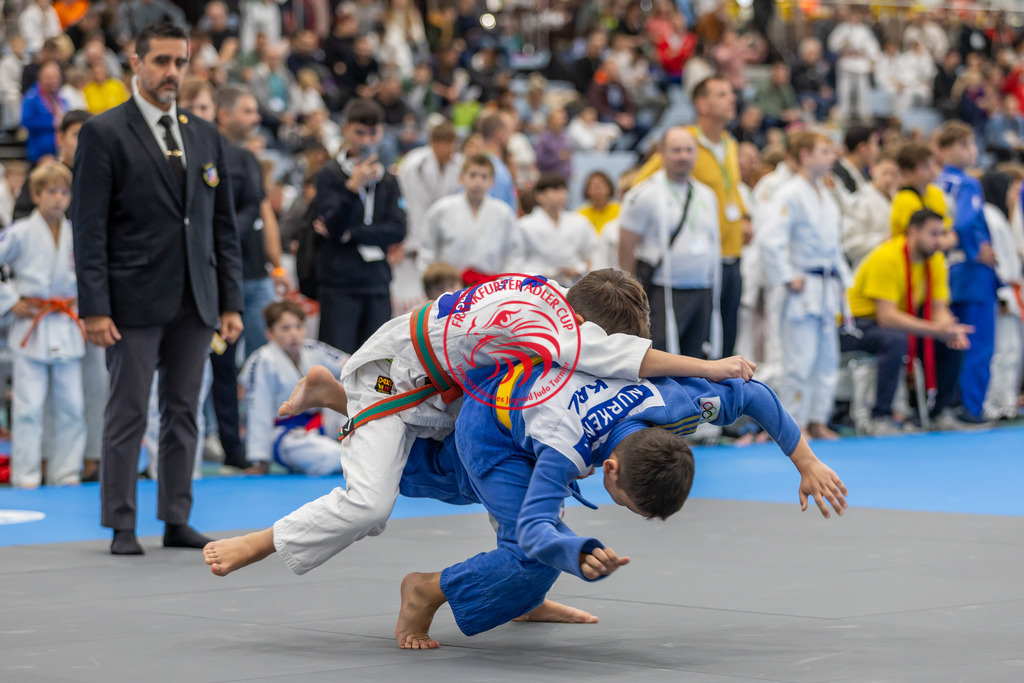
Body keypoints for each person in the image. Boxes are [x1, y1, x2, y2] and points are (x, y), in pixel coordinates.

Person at [203, 269, 758, 579]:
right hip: (393, 382)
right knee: (370, 504)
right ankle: (260, 541)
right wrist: (710, 367)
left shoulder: (552, 292)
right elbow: (627, 359)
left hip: (437, 379)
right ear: (586, 326)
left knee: (518, 464)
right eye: (597, 344)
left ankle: (333, 395)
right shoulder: (560, 329)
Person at [393, 361, 848, 647]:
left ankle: (523, 601)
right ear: (609, 468)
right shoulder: (565, 446)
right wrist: (576, 551)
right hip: (493, 424)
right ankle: (424, 590)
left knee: (530, 534)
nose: (629, 511)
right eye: (629, 506)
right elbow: (534, 530)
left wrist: (806, 462)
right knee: (527, 552)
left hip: (532, 393)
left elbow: (751, 393)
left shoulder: (679, 406)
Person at [72, 22, 244, 555]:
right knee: (128, 412)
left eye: (180, 62)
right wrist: (95, 306)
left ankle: (176, 517)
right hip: (131, 300)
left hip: (197, 296)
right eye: (162, 61)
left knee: (184, 411)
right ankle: (121, 523)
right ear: (136, 63)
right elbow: (89, 229)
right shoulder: (104, 132)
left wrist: (231, 301)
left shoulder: (203, 134)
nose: (172, 72)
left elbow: (222, 226)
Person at [841, 210, 975, 435]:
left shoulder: (935, 260)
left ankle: (938, 413)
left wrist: (949, 329)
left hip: (892, 325)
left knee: (951, 343)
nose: (939, 241)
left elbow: (939, 308)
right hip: (854, 326)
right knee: (894, 340)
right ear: (913, 232)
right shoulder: (886, 257)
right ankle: (880, 416)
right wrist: (935, 330)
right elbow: (887, 317)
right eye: (933, 234)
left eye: (942, 234)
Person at [759, 132, 852, 441]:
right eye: (825, 151)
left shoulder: (827, 196)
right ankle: (794, 424)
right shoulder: (789, 193)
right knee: (799, 360)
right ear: (805, 155)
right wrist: (786, 275)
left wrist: (845, 282)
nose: (831, 157)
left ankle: (818, 419)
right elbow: (770, 239)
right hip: (803, 287)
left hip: (827, 286)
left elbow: (835, 247)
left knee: (826, 359)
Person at [0, 162, 85, 488]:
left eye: (64, 192)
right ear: (36, 195)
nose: (58, 198)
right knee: (28, 407)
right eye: (51, 191)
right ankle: (26, 475)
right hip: (32, 325)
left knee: (72, 406)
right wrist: (10, 299)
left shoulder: (76, 232)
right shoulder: (20, 232)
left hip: (66, 324)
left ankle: (66, 472)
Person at [312, 97, 405, 355]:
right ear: (346, 130)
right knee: (338, 361)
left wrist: (352, 233)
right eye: (359, 132)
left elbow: (398, 229)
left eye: (372, 133)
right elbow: (333, 227)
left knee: (376, 363)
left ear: (381, 132)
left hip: (376, 281)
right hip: (339, 284)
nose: (365, 140)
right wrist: (353, 188)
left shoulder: (388, 179)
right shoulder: (330, 174)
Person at [619, 127, 721, 358]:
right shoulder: (643, 194)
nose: (683, 156)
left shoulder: (706, 194)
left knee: (696, 360)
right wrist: (631, 297)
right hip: (662, 291)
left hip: (702, 289)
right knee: (660, 357)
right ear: (661, 153)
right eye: (676, 150)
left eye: (689, 150)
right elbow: (626, 248)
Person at [934, 122, 998, 424]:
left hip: (947, 272)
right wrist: (976, 250)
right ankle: (971, 407)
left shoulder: (934, 182)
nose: (972, 151)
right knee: (978, 343)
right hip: (973, 273)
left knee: (952, 342)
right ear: (945, 150)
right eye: (965, 145)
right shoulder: (967, 183)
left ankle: (949, 403)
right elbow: (963, 222)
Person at [239, 301, 347, 476]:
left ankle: (360, 448)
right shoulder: (262, 360)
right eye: (285, 328)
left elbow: (350, 365)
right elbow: (258, 409)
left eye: (298, 327)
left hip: (321, 426)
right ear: (269, 333)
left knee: (349, 387)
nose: (294, 334)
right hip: (285, 436)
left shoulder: (313, 348)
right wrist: (260, 460)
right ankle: (349, 457)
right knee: (333, 456)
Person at [416, 154, 517, 283]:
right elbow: (427, 249)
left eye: (484, 176)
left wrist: (505, 284)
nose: (478, 181)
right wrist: (432, 281)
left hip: (491, 286)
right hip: (449, 285)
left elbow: (514, 253)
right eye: (473, 175)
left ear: (492, 181)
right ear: (461, 178)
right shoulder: (441, 210)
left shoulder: (504, 213)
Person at [980, 170, 1024, 420]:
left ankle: (1006, 402)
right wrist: (1003, 294)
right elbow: (995, 259)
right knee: (999, 350)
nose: (1013, 196)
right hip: (1001, 289)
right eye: (1010, 190)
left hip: (1010, 288)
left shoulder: (1002, 216)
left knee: (1012, 350)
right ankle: (992, 403)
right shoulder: (990, 216)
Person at [513, 173, 597, 286]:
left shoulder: (579, 222)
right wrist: (546, 273)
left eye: (563, 190)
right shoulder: (524, 225)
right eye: (555, 190)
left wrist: (579, 269)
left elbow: (591, 253)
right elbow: (515, 260)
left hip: (575, 283)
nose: (561, 195)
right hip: (537, 285)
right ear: (540, 196)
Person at [395, 122, 462, 259]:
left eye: (453, 143)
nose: (452, 149)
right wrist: (417, 244)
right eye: (447, 144)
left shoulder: (458, 164)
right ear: (434, 144)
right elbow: (415, 207)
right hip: (413, 226)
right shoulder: (416, 164)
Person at [843, 152, 901, 268]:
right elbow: (849, 245)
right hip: (867, 266)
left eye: (894, 174)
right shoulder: (861, 201)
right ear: (873, 170)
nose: (889, 179)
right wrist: (881, 240)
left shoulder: (899, 199)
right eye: (884, 173)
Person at [827, 7, 880, 122]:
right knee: (844, 90)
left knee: (862, 91)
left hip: (861, 64)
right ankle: (844, 114)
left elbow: (872, 48)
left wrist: (868, 56)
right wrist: (843, 44)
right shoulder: (841, 29)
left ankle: (863, 114)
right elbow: (832, 45)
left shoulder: (864, 30)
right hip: (846, 64)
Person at [890, 142, 951, 240]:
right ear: (907, 172)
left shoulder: (935, 192)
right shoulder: (904, 199)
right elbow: (923, 236)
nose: (932, 170)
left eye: (933, 164)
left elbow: (946, 225)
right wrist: (950, 239)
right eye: (925, 166)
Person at [21, 61, 66, 163]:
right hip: (39, 152)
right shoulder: (32, 96)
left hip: (58, 151)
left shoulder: (61, 96)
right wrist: (51, 122)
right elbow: (26, 121)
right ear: (41, 78)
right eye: (49, 78)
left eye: (55, 77)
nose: (53, 81)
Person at [477, 111, 516, 213]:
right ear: (499, 134)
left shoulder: (474, 165)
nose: (511, 137)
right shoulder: (495, 170)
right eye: (509, 132)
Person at [832, 124, 877, 195]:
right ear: (862, 148)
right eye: (874, 144)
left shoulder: (863, 174)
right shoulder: (836, 174)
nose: (876, 151)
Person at [577, 171, 619, 235]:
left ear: (609, 188)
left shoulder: (621, 210)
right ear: (587, 190)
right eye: (593, 186)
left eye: (601, 184)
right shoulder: (580, 214)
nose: (597, 189)